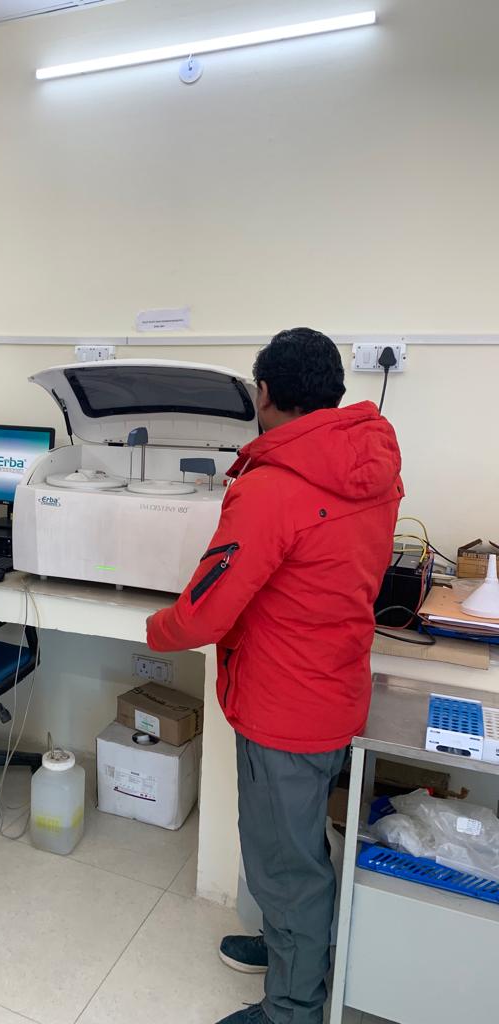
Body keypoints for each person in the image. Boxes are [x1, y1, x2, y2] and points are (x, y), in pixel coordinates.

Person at [146, 328, 403, 1024]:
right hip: (335, 689)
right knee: (296, 849)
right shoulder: (371, 468)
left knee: (286, 865)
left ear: (264, 393)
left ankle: (292, 1006)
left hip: (283, 706)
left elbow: (203, 614)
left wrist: (156, 628)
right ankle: (288, 949)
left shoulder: (273, 486)